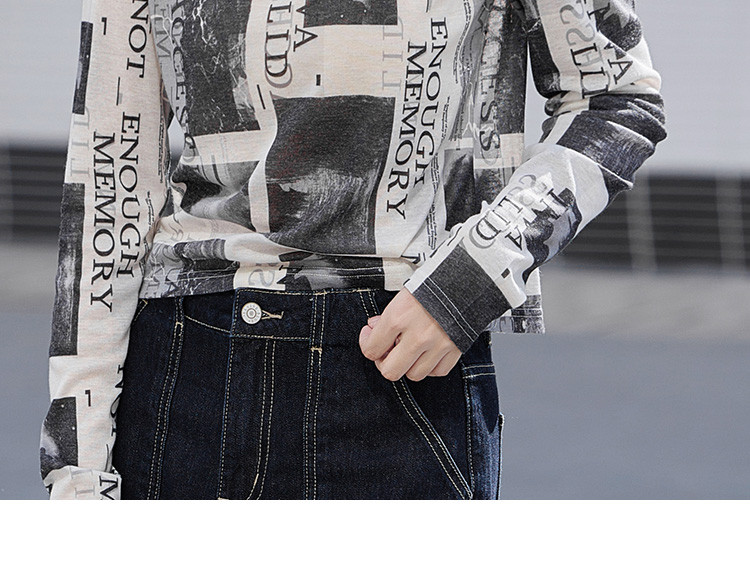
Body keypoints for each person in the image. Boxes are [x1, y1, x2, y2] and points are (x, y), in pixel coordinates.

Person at [40, 0, 666, 499]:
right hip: (189, 374)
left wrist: (470, 282)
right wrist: (77, 470)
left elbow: (616, 99)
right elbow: (110, 175)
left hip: (400, 368)